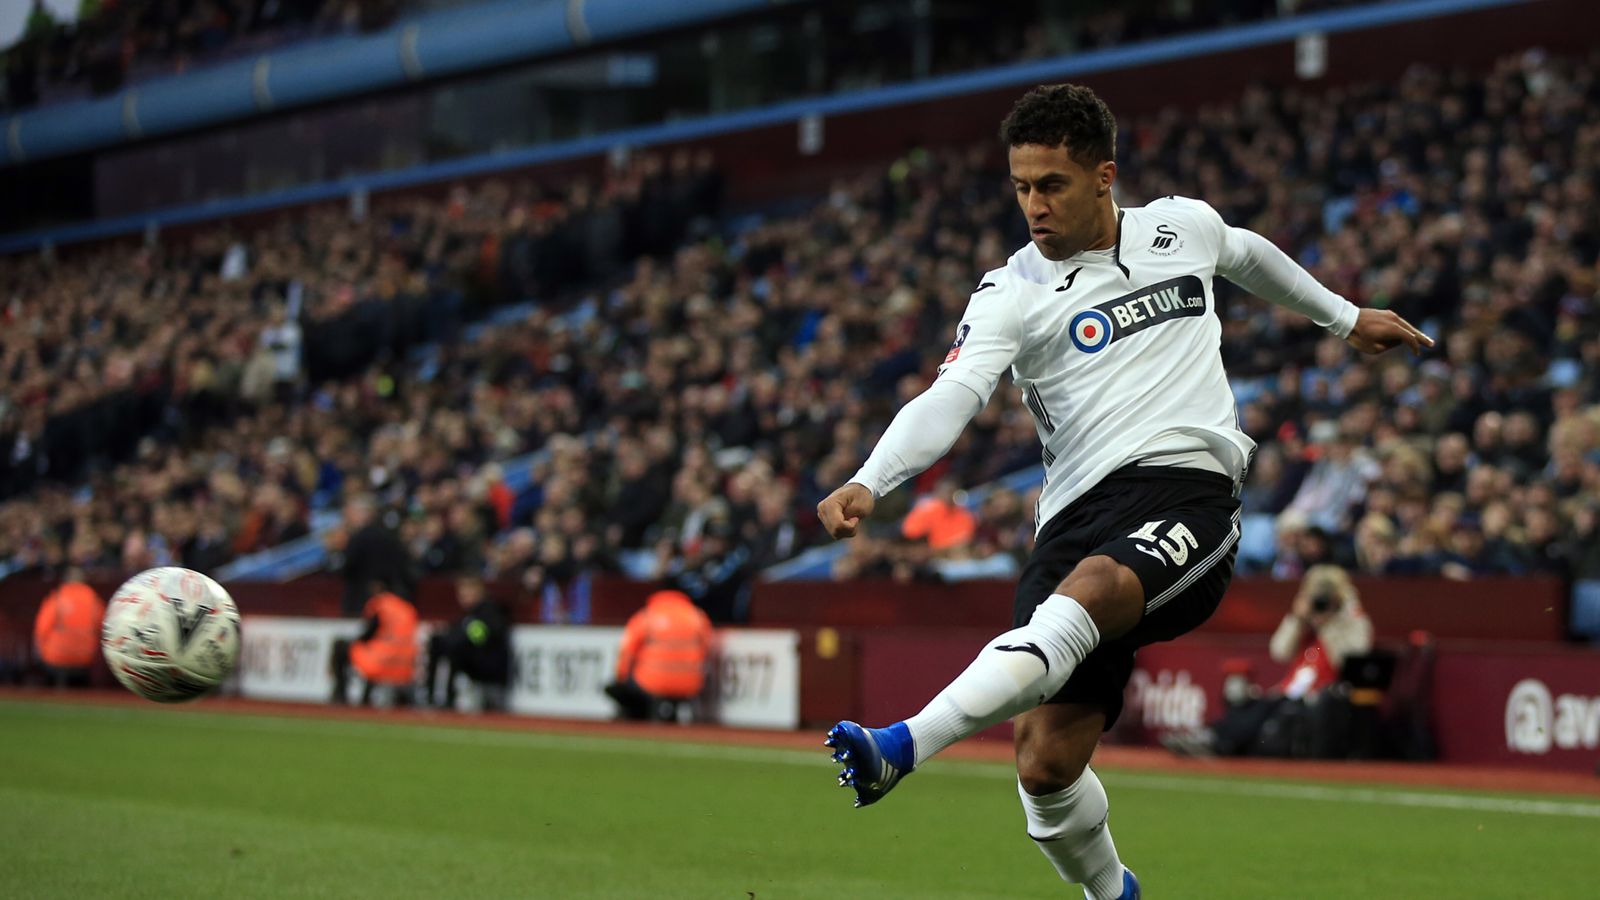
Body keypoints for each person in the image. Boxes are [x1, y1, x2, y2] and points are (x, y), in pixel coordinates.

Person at [815, 84, 1430, 900]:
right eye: (1021, 187)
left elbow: (1245, 253)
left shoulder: (1182, 227)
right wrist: (873, 477)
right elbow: (951, 397)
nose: (1034, 206)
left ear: (1104, 176)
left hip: (1187, 494)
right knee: (1045, 766)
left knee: (1094, 590)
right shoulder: (1011, 292)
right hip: (1072, 520)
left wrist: (1345, 317)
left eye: (1052, 185)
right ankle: (1114, 894)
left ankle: (901, 745)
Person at [1163, 565, 1374, 757]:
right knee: (1250, 704)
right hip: (1286, 693)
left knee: (1267, 707)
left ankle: (1216, 742)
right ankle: (1210, 736)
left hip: (1320, 697)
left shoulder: (1353, 622)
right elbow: (1279, 651)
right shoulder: (1305, 623)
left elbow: (1348, 661)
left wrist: (1330, 624)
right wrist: (1297, 618)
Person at [603, 589, 713, 722]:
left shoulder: (646, 616)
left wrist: (621, 677)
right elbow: (707, 649)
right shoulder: (698, 617)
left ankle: (635, 720)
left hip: (651, 683)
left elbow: (627, 653)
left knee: (619, 690)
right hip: (690, 685)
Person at [424, 573, 511, 711]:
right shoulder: (467, 615)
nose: (464, 597)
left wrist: (461, 635)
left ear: (479, 591)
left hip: (489, 668)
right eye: (462, 593)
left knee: (453, 649)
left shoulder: (490, 611)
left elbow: (484, 639)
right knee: (438, 642)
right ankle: (432, 695)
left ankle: (448, 698)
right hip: (473, 663)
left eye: (468, 592)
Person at [330, 580, 419, 706]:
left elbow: (369, 633)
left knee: (341, 647)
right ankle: (368, 696)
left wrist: (356, 641)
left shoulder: (380, 604)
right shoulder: (407, 608)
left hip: (381, 659)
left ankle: (340, 693)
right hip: (406, 663)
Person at [33, 568, 105, 687]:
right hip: (85, 658)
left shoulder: (57, 598)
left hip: (56, 657)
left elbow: (41, 629)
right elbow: (103, 629)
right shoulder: (94, 599)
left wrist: (40, 651)